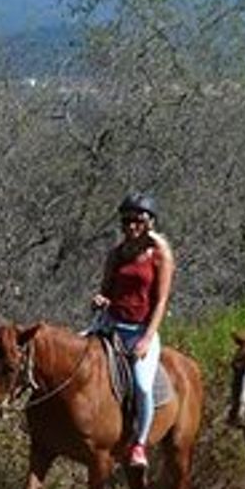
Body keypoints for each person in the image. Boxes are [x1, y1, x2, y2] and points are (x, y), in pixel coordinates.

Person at [88, 193, 175, 470]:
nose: (131, 226)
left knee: (141, 385)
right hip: (110, 325)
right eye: (126, 221)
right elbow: (105, 289)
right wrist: (100, 300)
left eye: (137, 220)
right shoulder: (116, 254)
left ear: (149, 222)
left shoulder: (159, 255)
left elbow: (161, 300)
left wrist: (148, 338)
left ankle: (139, 444)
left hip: (139, 330)